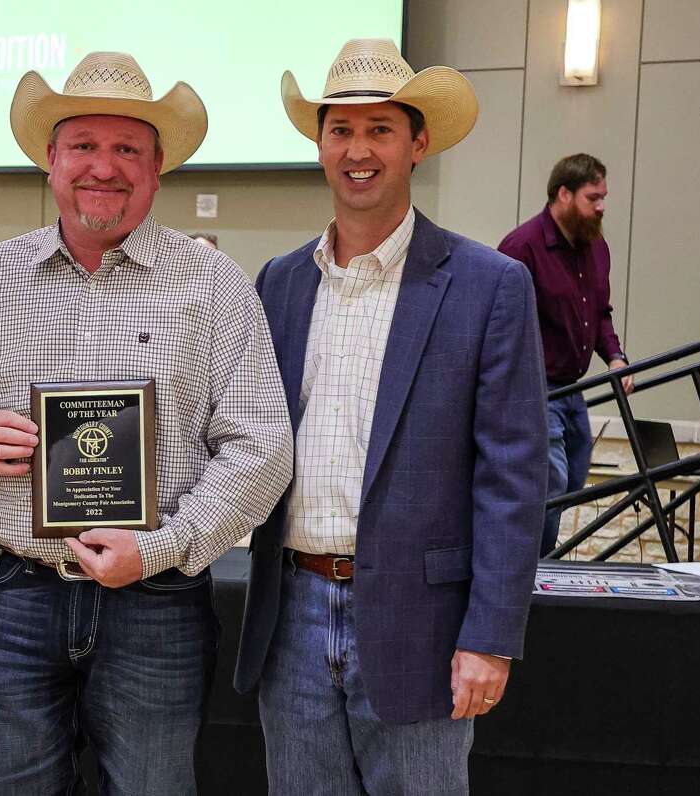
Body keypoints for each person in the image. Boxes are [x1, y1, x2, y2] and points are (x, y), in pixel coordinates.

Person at [0, 52, 292, 795]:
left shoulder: (215, 286)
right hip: (15, 598)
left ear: (159, 168)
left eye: (128, 148)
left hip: (156, 606)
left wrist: (162, 547)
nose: (105, 167)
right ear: (50, 160)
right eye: (85, 146)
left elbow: (260, 449)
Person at [234, 39, 548, 794]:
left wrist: (491, 638)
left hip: (425, 625)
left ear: (418, 141)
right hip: (293, 615)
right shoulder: (279, 283)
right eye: (340, 129)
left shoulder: (488, 286)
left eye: (380, 129)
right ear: (319, 145)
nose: (358, 149)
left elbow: (514, 476)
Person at [498, 153, 633, 556]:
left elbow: (601, 312)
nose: (601, 206)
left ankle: (540, 560)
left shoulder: (596, 248)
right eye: (593, 197)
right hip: (533, 388)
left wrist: (616, 357)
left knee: (573, 478)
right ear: (563, 194)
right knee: (550, 480)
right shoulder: (521, 248)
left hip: (570, 388)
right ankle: (533, 569)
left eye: (603, 196)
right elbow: (498, 322)